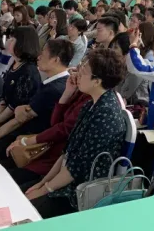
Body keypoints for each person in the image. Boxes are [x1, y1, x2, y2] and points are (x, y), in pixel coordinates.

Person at [25, 48, 127, 218]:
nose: (77, 74)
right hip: (66, 180)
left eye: (84, 72)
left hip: (80, 192)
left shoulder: (106, 115)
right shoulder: (91, 104)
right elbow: (68, 152)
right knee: (23, 191)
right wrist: (42, 183)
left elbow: (77, 168)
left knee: (23, 206)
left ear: (96, 81)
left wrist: (44, 189)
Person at [0, 38, 73, 156]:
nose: (39, 57)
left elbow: (18, 121)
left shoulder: (52, 89)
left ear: (55, 60)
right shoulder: (62, 81)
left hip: (28, 141)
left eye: (43, 54)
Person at [0, 27, 42, 140]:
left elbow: (15, 105)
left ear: (22, 44)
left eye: (12, 39)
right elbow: (5, 96)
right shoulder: (15, 63)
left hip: (16, 123)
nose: (8, 41)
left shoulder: (28, 71)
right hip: (3, 115)